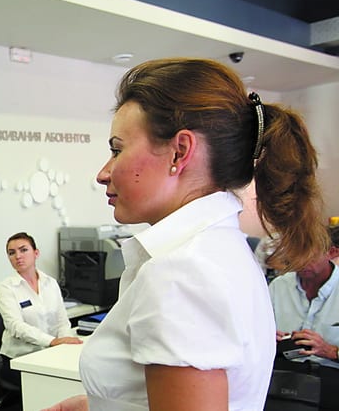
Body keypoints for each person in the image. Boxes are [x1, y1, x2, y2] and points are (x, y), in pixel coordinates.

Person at [44, 58, 330, 411]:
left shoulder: (180, 273)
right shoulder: (215, 250)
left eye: (117, 149)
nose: (103, 173)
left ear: (179, 151)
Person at [0, 232, 82, 385]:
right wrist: (52, 341)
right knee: (56, 384)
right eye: (12, 253)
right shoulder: (6, 287)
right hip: (19, 359)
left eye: (23, 250)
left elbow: (62, 321)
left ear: (36, 253)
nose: (18, 256)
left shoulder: (51, 283)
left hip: (51, 353)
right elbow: (16, 326)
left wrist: (65, 344)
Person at [270, 225, 339, 367]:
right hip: (283, 370)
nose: (301, 263)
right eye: (295, 256)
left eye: (310, 256)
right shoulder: (279, 286)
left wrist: (331, 351)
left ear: (332, 253)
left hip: (330, 373)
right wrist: (267, 340)